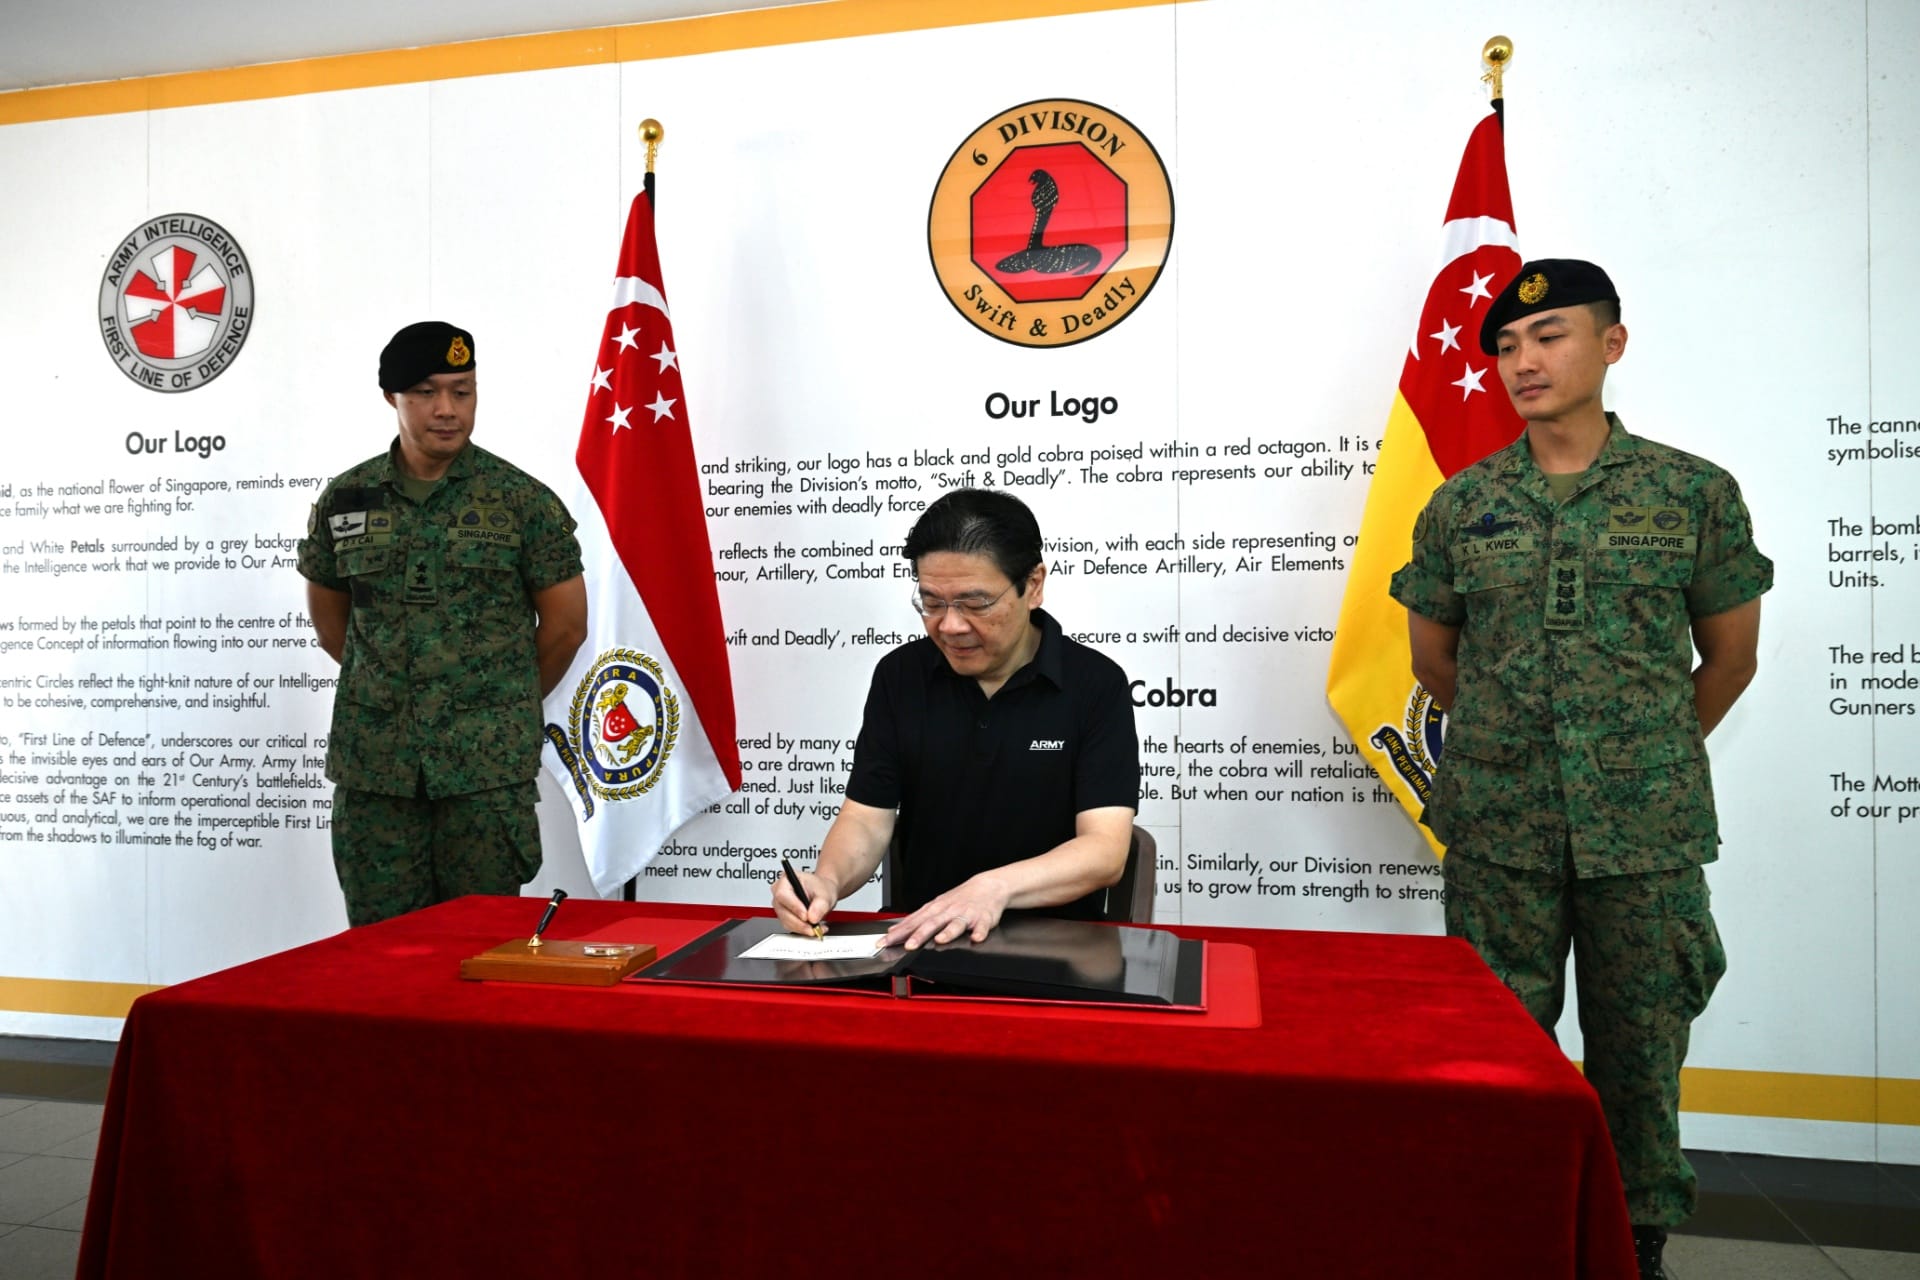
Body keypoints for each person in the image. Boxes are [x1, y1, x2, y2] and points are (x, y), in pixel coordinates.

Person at [1390, 260, 1771, 1280]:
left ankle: (1634, 1242)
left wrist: (1634, 752)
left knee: (1641, 1049)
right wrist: (1529, 742)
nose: (1524, 360)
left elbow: (1729, 656)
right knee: (1499, 1047)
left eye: (1549, 335)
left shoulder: (1691, 492)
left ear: (1611, 343)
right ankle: (1507, 1229)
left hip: (1642, 832)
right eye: (1507, 346)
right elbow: (1436, 661)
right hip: (1500, 824)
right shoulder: (1462, 505)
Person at [297, 321, 588, 926]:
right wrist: (399, 695)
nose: (448, 409)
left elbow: (565, 628)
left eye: (464, 390)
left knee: (479, 946)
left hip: (482, 778)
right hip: (378, 772)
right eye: (428, 392)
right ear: (392, 399)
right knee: (379, 954)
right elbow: (334, 626)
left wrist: (499, 703)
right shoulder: (347, 500)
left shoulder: (520, 501)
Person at [773, 488, 1140, 950]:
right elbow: (867, 819)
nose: (950, 626)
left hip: (1058, 948)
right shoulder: (901, 676)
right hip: (919, 941)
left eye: (975, 603)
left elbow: (1104, 851)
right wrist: (827, 881)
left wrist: (992, 889)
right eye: (932, 602)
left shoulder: (1094, 684)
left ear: (1034, 585)